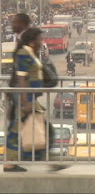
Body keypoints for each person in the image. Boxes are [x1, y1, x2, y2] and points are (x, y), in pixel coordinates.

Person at [5, 28, 66, 172]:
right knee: (19, 130)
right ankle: (11, 163)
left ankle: (47, 160)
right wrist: (26, 102)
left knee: (37, 129)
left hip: (31, 98)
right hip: (26, 98)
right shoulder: (23, 54)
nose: (42, 42)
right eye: (40, 39)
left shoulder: (30, 53)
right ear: (32, 42)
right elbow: (21, 78)